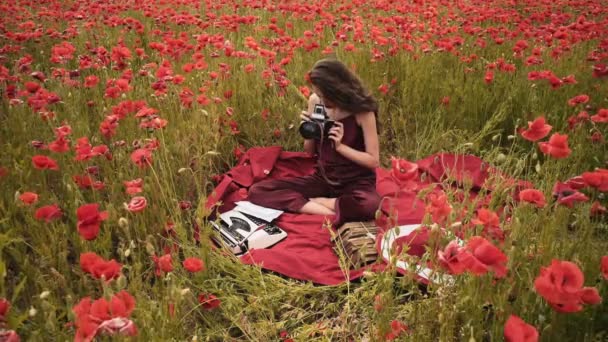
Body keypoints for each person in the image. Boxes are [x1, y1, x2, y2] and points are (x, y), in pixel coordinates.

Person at [247, 58, 382, 227]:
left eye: (324, 95)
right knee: (258, 191)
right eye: (318, 94)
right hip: (323, 178)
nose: (321, 99)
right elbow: (309, 152)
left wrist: (341, 147)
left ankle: (321, 202)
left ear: (337, 90)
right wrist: (309, 129)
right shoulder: (315, 102)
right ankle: (325, 209)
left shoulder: (362, 112)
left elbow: (373, 160)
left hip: (356, 181)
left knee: (370, 205)